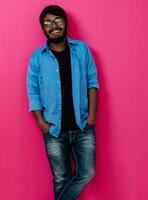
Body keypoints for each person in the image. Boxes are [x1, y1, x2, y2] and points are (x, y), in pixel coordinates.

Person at [26, 5, 99, 200]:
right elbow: (33, 92)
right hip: (54, 129)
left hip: (83, 125)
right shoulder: (37, 57)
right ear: (43, 28)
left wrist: (91, 118)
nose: (53, 26)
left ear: (65, 23)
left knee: (87, 173)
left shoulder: (82, 50)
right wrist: (41, 123)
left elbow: (93, 83)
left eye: (57, 20)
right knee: (60, 178)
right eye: (47, 23)